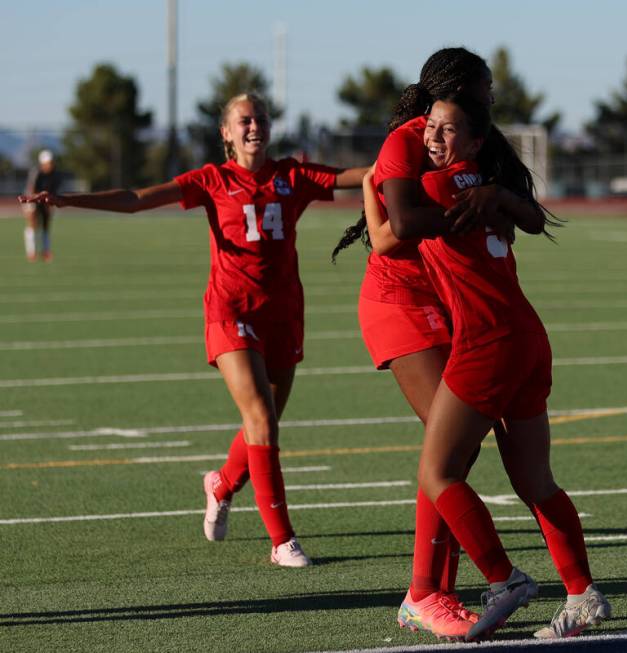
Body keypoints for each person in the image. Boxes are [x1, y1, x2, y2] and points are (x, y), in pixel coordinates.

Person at [19, 93, 368, 567]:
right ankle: (282, 540)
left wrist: (419, 161)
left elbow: (368, 177)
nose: (253, 126)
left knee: (262, 424)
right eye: (243, 120)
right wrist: (68, 198)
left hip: (283, 315)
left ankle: (221, 483)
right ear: (225, 132)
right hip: (230, 311)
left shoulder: (292, 175)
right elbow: (138, 199)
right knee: (261, 420)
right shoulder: (212, 180)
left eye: (260, 118)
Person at [367, 92, 612, 642]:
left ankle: (504, 579)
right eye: (429, 127)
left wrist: (371, 186)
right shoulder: (486, 184)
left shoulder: (431, 187)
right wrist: (498, 193)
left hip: (486, 342)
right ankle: (581, 595)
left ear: (474, 141)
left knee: (438, 473)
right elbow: (531, 216)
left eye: (447, 131)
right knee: (534, 480)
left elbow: (394, 231)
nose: (431, 138)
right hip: (527, 336)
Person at [333, 47, 551, 639]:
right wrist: (478, 212)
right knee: (445, 448)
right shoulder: (411, 138)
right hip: (400, 302)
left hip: (449, 302)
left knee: (454, 452)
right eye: (485, 86)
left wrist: (500, 205)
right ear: (455, 87)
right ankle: (427, 592)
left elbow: (524, 215)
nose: (492, 95)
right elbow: (398, 228)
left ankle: (433, 591)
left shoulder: (480, 140)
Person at [22, 149, 62, 262]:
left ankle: (46, 251)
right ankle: (31, 252)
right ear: (43, 163)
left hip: (46, 199)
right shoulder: (37, 173)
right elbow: (31, 189)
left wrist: (50, 204)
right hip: (32, 198)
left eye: (51, 162)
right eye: (48, 163)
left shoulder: (55, 174)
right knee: (32, 223)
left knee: (46, 224)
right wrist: (31, 205)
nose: (50, 165)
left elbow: (54, 190)